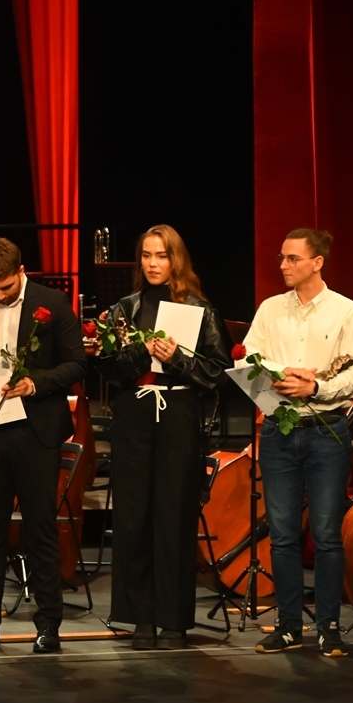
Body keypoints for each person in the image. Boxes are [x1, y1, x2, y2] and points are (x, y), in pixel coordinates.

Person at [92, 225, 231, 650]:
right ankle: (140, 618)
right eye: (147, 255)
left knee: (174, 515)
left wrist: (178, 358)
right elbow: (107, 368)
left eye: (162, 256)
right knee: (134, 515)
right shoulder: (125, 308)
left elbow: (218, 373)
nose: (153, 264)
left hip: (178, 413)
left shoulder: (199, 310)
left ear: (176, 260)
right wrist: (142, 352)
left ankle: (173, 619)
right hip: (135, 412)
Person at [0, 238, 89, 654]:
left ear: (21, 272)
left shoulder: (53, 302)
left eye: (6, 287)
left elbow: (77, 363)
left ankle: (48, 625)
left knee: (40, 529)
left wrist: (35, 383)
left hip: (36, 432)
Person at [244, 228, 353, 657]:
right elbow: (249, 358)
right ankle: (288, 625)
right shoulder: (270, 309)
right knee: (282, 535)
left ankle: (329, 625)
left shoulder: (346, 311)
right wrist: (278, 375)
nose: (283, 265)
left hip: (325, 430)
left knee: (327, 533)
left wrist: (315, 386)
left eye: (293, 258)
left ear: (317, 262)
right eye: (282, 258)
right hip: (278, 429)